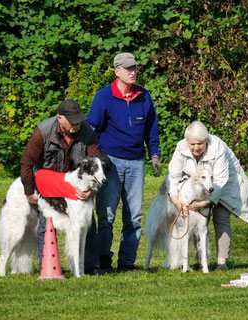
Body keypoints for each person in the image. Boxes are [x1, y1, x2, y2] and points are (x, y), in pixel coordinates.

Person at [87, 52, 162, 271]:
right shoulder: (103, 97)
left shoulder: (144, 96)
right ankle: (103, 259)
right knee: (107, 214)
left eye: (134, 68)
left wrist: (154, 155)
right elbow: (92, 130)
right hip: (110, 162)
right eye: (128, 68)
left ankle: (127, 262)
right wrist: (97, 159)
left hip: (137, 163)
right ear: (117, 71)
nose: (133, 72)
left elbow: (152, 129)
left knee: (135, 216)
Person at [20, 99, 103, 275]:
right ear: (59, 118)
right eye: (72, 121)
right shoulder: (42, 131)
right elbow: (27, 163)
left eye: (79, 120)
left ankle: (90, 265)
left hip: (75, 183)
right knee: (47, 222)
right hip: (49, 184)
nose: (76, 125)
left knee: (87, 221)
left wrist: (92, 190)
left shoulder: (87, 131)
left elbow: (96, 162)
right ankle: (48, 265)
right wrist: (29, 192)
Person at [167, 120, 248, 270]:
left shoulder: (218, 147)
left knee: (221, 217)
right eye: (192, 144)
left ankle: (221, 262)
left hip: (223, 185)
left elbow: (220, 180)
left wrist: (202, 203)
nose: (196, 147)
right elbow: (173, 177)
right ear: (187, 141)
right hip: (198, 185)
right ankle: (199, 261)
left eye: (200, 144)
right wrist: (177, 202)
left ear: (206, 140)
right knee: (195, 220)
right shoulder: (180, 148)